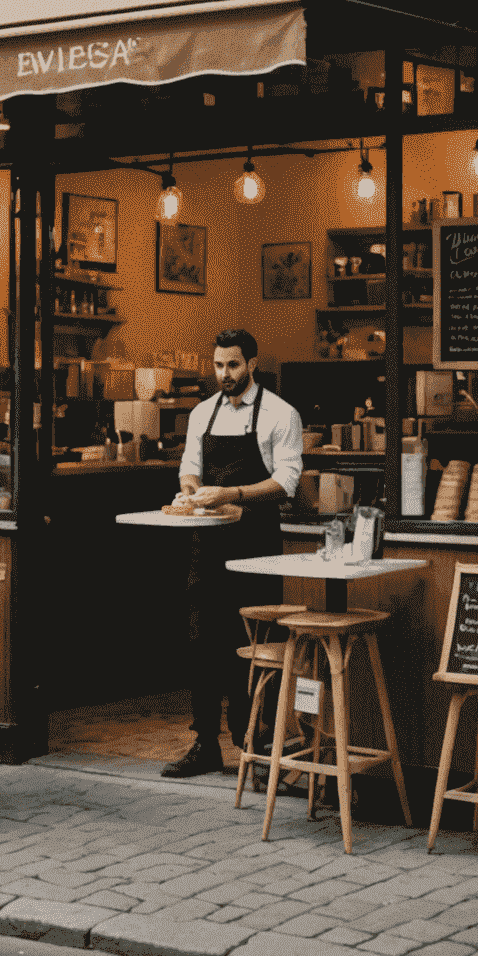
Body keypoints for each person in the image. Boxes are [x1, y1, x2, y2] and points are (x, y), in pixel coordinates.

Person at [163, 328, 303, 779]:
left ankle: (256, 746)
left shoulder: (280, 414)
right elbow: (190, 469)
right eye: (219, 366)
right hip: (206, 544)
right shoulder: (202, 414)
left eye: (234, 366)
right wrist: (190, 494)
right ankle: (205, 743)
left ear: (253, 364)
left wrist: (234, 494)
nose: (225, 374)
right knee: (202, 644)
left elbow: (286, 482)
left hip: (255, 547)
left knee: (254, 645)